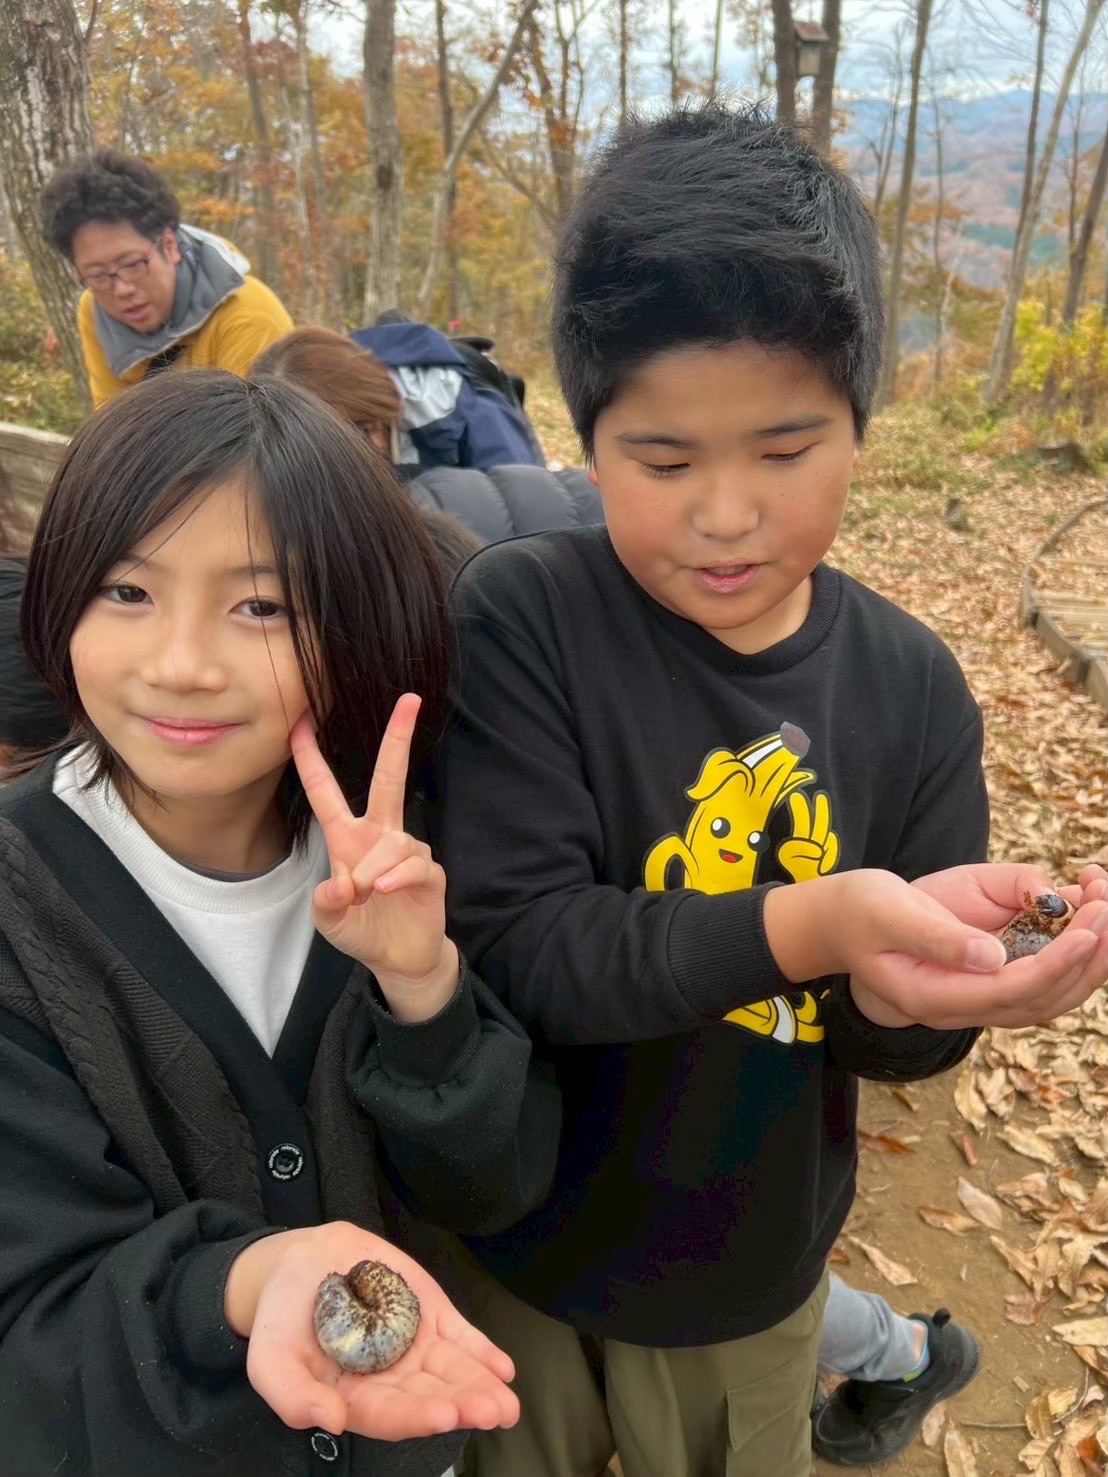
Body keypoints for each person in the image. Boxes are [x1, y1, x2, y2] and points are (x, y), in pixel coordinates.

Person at [428, 100, 1108, 1477]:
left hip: (747, 1264)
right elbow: (519, 947)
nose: (727, 513)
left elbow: (886, 1044)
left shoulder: (911, 689)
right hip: (518, 1233)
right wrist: (818, 924)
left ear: (860, 427)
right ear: (587, 440)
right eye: (664, 460)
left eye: (785, 452)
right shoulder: (523, 617)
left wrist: (915, 994)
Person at [0, 368, 563, 1477]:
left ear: (350, 631)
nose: (181, 665)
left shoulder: (402, 852)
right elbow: (33, 1336)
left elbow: (490, 1189)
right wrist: (248, 1286)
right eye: (127, 590)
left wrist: (423, 991)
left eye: (260, 605)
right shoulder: (20, 913)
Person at [252, 326, 604, 541]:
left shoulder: (473, 412)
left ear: (378, 412)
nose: (356, 457)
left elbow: (523, 513)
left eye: (362, 433)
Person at [40, 149, 293, 407]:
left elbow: (259, 429)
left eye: (132, 264)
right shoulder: (94, 309)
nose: (121, 289)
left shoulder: (249, 315)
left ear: (170, 245)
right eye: (97, 275)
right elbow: (111, 417)